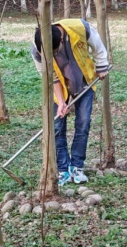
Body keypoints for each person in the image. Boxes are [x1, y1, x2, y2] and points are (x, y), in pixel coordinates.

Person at [32, 19, 109, 186]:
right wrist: (61, 101)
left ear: (60, 40)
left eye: (54, 52)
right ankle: (63, 169)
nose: (52, 55)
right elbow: (51, 77)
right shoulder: (37, 51)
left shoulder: (80, 28)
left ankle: (77, 167)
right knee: (57, 128)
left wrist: (102, 65)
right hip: (59, 88)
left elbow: (98, 46)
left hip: (84, 83)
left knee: (83, 123)